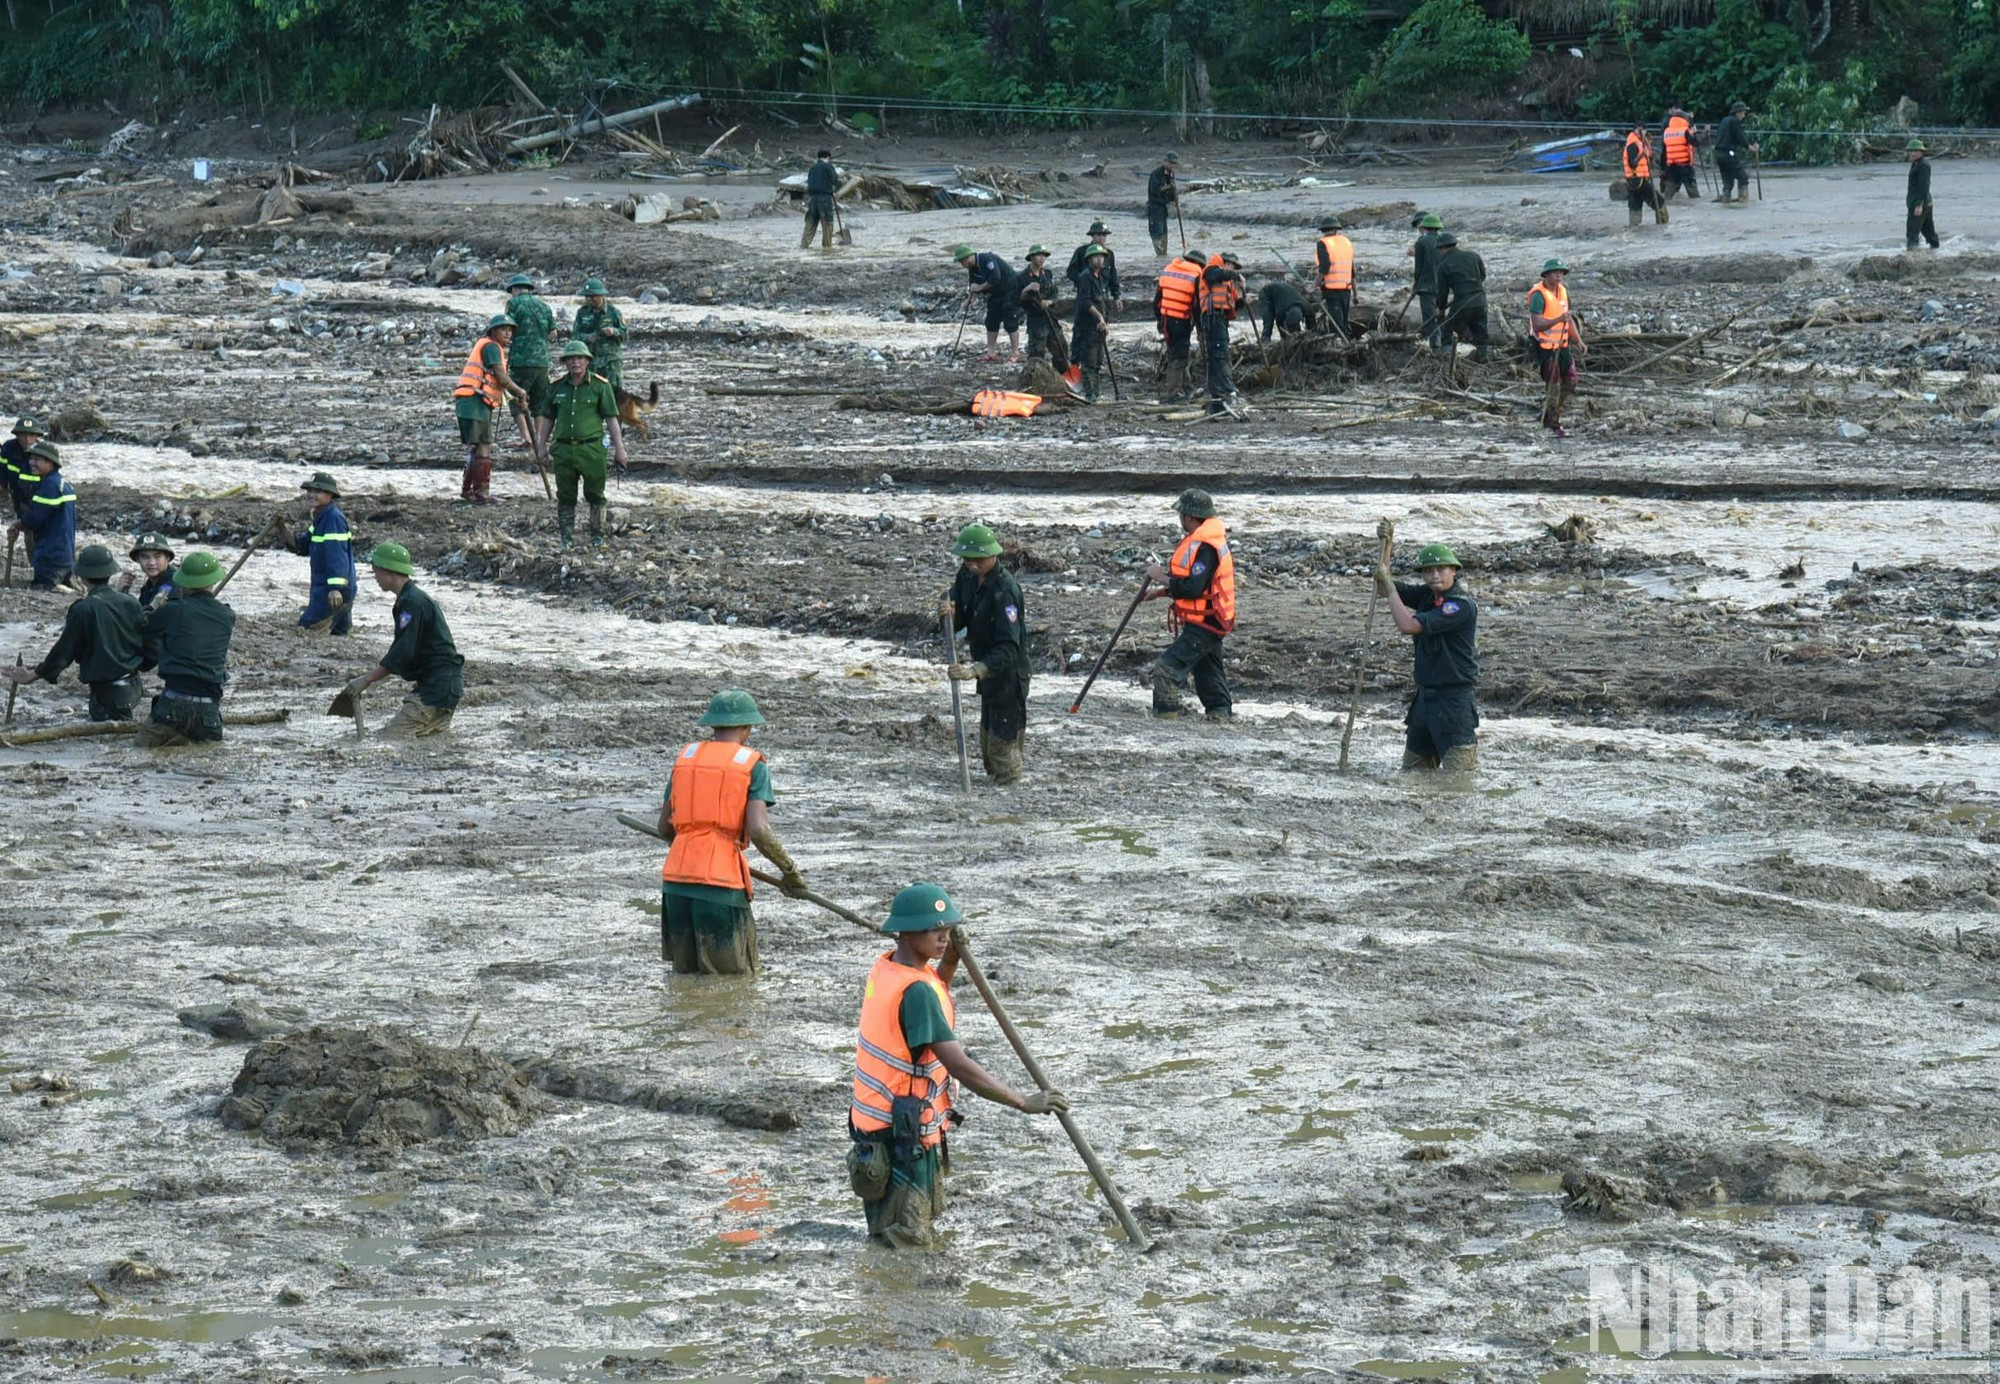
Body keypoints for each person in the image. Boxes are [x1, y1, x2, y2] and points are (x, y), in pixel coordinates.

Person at [846, 881, 1067, 1250]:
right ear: (907, 931)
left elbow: (932, 994)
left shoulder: (890, 969)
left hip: (878, 1131)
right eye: (934, 930)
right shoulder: (914, 992)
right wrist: (1024, 1102)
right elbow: (960, 1066)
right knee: (906, 1242)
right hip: (901, 1139)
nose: (943, 937)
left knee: (893, 1232)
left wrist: (950, 960)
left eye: (947, 928)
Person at [655, 689, 809, 976]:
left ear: (712, 725)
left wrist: (691, 846)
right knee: (732, 985)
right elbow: (759, 829)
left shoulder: (686, 760)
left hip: (675, 885)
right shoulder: (752, 765)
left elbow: (664, 827)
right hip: (721, 888)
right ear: (748, 728)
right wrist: (789, 871)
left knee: (686, 982)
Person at [338, 542, 464, 740]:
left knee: (392, 738)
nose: (375, 577)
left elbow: (403, 652)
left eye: (376, 571)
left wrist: (367, 679)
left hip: (437, 687)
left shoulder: (411, 602)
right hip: (445, 686)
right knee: (428, 740)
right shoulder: (410, 599)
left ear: (389, 571)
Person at [4, 544, 144, 721]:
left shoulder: (83, 609)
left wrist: (32, 675)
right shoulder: (131, 602)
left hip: (108, 694)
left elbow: (64, 651)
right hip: (134, 687)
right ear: (110, 573)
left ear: (82, 578)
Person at [1375, 542, 1478, 774]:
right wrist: (1387, 546)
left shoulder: (1460, 606)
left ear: (1454, 570)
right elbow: (1383, 587)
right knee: (1413, 774)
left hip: (1454, 702)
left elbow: (1407, 625)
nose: (1434, 575)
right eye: (1429, 570)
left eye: (1441, 569)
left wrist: (1390, 588)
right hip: (1424, 700)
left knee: (1459, 777)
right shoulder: (1428, 596)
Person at [941, 524, 1029, 786]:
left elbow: (1009, 648)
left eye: (977, 560)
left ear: (992, 556)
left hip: (1007, 676)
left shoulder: (1006, 592)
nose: (972, 566)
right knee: (987, 746)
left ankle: (1012, 792)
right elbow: (958, 617)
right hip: (987, 676)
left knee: (1002, 749)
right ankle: (996, 793)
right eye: (967, 560)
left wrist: (974, 670)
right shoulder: (966, 577)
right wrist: (949, 614)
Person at [1143, 488, 1236, 720]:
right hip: (1211, 620)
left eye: (1182, 514)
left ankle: (1165, 718)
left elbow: (1194, 588)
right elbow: (1197, 585)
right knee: (1208, 673)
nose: (1180, 519)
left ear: (1190, 517)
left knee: (1166, 668)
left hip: (1206, 622)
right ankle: (1220, 718)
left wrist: (1160, 576)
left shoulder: (1206, 548)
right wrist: (1162, 592)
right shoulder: (1205, 542)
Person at [535, 341, 629, 549]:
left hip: (591, 449)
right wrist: (541, 446)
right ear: (565, 362)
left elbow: (611, 418)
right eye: (571, 358)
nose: (575, 362)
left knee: (595, 493)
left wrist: (619, 448)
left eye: (580, 358)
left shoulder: (600, 386)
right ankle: (566, 538)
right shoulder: (556, 387)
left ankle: (597, 535)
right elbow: (548, 418)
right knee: (565, 495)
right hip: (564, 449)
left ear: (587, 361)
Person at [135, 550, 234, 748]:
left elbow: (141, 625)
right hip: (209, 711)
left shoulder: (172, 610)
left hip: (172, 704)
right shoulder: (228, 615)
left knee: (141, 750)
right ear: (213, 581)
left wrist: (155, 604)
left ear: (184, 583)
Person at [453, 314, 526, 505]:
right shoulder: (492, 347)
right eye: (503, 329)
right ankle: (481, 493)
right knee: (484, 444)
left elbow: (495, 381)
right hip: (474, 400)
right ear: (493, 331)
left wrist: (514, 396)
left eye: (510, 330)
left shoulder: (488, 346)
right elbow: (502, 378)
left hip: (470, 400)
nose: (508, 333)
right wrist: (520, 392)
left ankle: (469, 490)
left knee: (477, 445)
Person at [275, 471, 355, 636]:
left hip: (331, 592)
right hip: (332, 589)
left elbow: (337, 555)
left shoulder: (332, 519)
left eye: (317, 491)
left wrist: (335, 588)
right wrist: (282, 528)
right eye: (309, 491)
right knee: (339, 636)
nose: (312, 495)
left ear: (330, 494)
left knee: (306, 630)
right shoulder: (321, 518)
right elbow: (302, 546)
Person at [1528, 258, 1586, 437]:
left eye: (1561, 272)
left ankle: (1549, 411)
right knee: (1553, 386)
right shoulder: (1538, 295)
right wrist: (1557, 321)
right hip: (1546, 348)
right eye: (1555, 272)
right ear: (1546, 275)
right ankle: (1554, 423)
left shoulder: (1563, 292)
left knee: (1571, 381)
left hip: (1563, 345)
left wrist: (1578, 341)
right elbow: (1537, 324)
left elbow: (1568, 319)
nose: (1559, 275)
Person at [8, 441, 76, 590]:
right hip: (66, 555)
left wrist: (17, 525)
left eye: (37, 460)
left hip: (50, 556)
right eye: (31, 459)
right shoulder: (62, 483)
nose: (32, 463)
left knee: (43, 588)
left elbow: (35, 518)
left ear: (50, 463)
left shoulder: (49, 486)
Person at [503, 273, 556, 452]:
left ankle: (525, 436)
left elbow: (507, 328)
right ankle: (539, 438)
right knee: (540, 401)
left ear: (515, 290)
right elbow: (553, 334)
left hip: (521, 360)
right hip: (542, 361)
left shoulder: (513, 304)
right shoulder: (544, 306)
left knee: (516, 398)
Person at [953, 246, 1022, 364]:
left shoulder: (987, 259)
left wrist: (979, 287)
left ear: (968, 258)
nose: (962, 265)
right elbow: (973, 285)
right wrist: (971, 299)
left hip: (1011, 290)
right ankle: (991, 353)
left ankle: (1015, 353)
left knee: (1010, 322)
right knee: (991, 322)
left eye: (962, 261)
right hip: (995, 294)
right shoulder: (972, 268)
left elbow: (995, 278)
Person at [1152, 247, 1204, 401]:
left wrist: (1160, 320)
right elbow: (1196, 306)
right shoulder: (1196, 275)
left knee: (1176, 354)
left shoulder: (1169, 269)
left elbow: (1157, 301)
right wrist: (1200, 328)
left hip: (1167, 319)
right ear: (1199, 264)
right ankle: (1174, 392)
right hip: (1181, 320)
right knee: (1179, 357)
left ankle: (1188, 388)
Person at [1197, 252, 1245, 415]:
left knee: (1219, 355)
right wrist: (1236, 276)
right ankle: (1227, 390)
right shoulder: (1212, 270)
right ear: (1225, 263)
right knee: (1219, 355)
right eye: (1231, 266)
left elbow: (1233, 303)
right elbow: (1214, 275)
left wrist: (1244, 300)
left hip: (1221, 319)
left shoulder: (1227, 281)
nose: (1232, 269)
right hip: (1213, 318)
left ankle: (1218, 398)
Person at [1431, 232, 1491, 363]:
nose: (1439, 253)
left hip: (1462, 302)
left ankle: (1449, 361)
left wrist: (1441, 309)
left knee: (1448, 333)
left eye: (1439, 250)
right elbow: (1482, 276)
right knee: (1480, 333)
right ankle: (1483, 359)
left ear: (1442, 248)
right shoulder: (1473, 256)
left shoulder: (1443, 265)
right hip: (1480, 298)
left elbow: (1442, 292)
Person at [1071, 245, 1113, 402]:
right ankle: (1091, 395)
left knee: (1097, 362)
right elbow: (1085, 302)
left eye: (1101, 257)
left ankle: (1095, 393)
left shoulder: (1101, 277)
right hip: (1087, 327)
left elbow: (1103, 301)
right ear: (1089, 259)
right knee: (1089, 362)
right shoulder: (1085, 277)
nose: (1099, 259)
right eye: (1096, 257)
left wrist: (1105, 321)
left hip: (1098, 327)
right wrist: (1099, 318)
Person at [1018, 245, 1070, 371]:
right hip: (1036, 319)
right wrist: (1028, 289)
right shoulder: (1023, 276)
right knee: (1037, 354)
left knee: (1061, 348)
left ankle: (1062, 376)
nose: (1042, 259)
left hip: (1050, 316)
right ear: (1031, 257)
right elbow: (1018, 298)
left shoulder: (1047, 274)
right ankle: (1035, 378)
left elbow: (1055, 293)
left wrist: (1049, 301)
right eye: (1039, 255)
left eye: (1044, 256)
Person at [572, 279, 626, 391]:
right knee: (590, 393)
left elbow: (625, 335)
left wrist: (613, 332)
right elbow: (574, 337)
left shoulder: (614, 312)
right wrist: (587, 337)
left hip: (611, 363)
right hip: (590, 362)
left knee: (613, 394)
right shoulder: (582, 313)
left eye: (592, 296)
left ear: (601, 295)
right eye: (586, 297)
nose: (588, 299)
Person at [1315, 216, 1355, 338]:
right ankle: (1346, 342)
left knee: (1336, 323)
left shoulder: (1322, 243)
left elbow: (1324, 267)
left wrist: (1314, 285)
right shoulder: (1346, 242)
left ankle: (1338, 345)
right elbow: (1352, 269)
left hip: (1332, 290)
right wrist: (1356, 294)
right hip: (1347, 289)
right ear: (1336, 229)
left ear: (1322, 230)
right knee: (1344, 320)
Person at [1065, 221, 1121, 306]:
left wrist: (1117, 297)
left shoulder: (1109, 254)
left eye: (1104, 235)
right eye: (1099, 235)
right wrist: (1084, 281)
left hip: (1103, 297)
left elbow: (1113, 276)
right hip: (1086, 296)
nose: (1102, 238)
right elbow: (1071, 272)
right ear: (1092, 236)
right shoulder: (1081, 252)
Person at [1623, 121, 1668, 228]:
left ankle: (1634, 229)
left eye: (1643, 130)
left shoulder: (1640, 143)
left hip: (1633, 182)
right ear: (1635, 130)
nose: (1642, 132)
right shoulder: (1632, 144)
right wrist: (1641, 155)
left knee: (1635, 207)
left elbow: (1649, 159)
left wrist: (1648, 144)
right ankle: (1663, 227)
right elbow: (1632, 163)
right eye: (1640, 130)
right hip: (1639, 181)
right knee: (1660, 203)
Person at [1409, 212, 1444, 347]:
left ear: (1425, 227)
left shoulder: (1421, 242)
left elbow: (1419, 268)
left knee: (1429, 319)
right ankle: (1444, 343)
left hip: (1426, 287)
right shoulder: (1443, 240)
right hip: (1442, 286)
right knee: (1440, 317)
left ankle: (1435, 348)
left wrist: (1415, 284)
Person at [1714, 100, 1758, 205]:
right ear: (1737, 112)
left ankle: (1726, 202)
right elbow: (1740, 138)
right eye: (1743, 113)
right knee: (1743, 176)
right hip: (1728, 154)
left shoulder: (1724, 120)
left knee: (1727, 181)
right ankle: (1743, 201)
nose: (1744, 115)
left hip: (1718, 154)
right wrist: (1750, 147)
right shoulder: (1734, 122)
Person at [3, 415, 45, 518]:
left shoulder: (43, 453)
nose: (27, 439)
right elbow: (2, 473)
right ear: (17, 435)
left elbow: (50, 482)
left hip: (37, 500)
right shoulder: (8, 448)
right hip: (16, 496)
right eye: (23, 435)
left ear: (36, 437)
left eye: (31, 435)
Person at [125, 532, 177, 608]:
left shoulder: (175, 584)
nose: (151, 563)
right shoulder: (149, 585)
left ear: (167, 557)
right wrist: (123, 592)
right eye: (145, 557)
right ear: (137, 559)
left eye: (157, 557)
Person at [1660, 104, 1700, 202]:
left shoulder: (1667, 132)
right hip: (1685, 166)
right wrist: (1694, 132)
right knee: (1694, 195)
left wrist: (1662, 168)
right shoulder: (1685, 131)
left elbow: (1664, 151)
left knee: (1668, 197)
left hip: (1671, 167)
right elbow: (1695, 143)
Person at [802, 149, 840, 250]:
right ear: (828, 157)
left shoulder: (813, 168)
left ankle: (804, 245)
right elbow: (834, 180)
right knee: (827, 223)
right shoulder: (828, 167)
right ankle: (827, 247)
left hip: (813, 199)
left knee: (810, 223)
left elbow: (809, 182)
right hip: (825, 199)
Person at [1906, 139, 1938, 251]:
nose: (1912, 153)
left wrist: (1919, 204)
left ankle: (1911, 256)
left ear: (1921, 152)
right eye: (1911, 151)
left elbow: (1924, 185)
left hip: (1920, 203)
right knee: (1929, 232)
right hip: (1925, 203)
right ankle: (1936, 252)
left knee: (1912, 233)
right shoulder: (1916, 164)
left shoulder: (1923, 165)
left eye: (1915, 151)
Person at [1146, 153, 1179, 256]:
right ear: (1165, 162)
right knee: (1157, 232)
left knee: (1164, 232)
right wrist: (1169, 187)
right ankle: (1160, 255)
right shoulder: (1156, 174)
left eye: (1174, 163)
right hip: (1155, 207)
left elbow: (1172, 191)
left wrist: (1175, 199)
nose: (1172, 165)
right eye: (1170, 163)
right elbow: (1155, 190)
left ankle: (1163, 255)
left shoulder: (1171, 175)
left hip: (1164, 208)